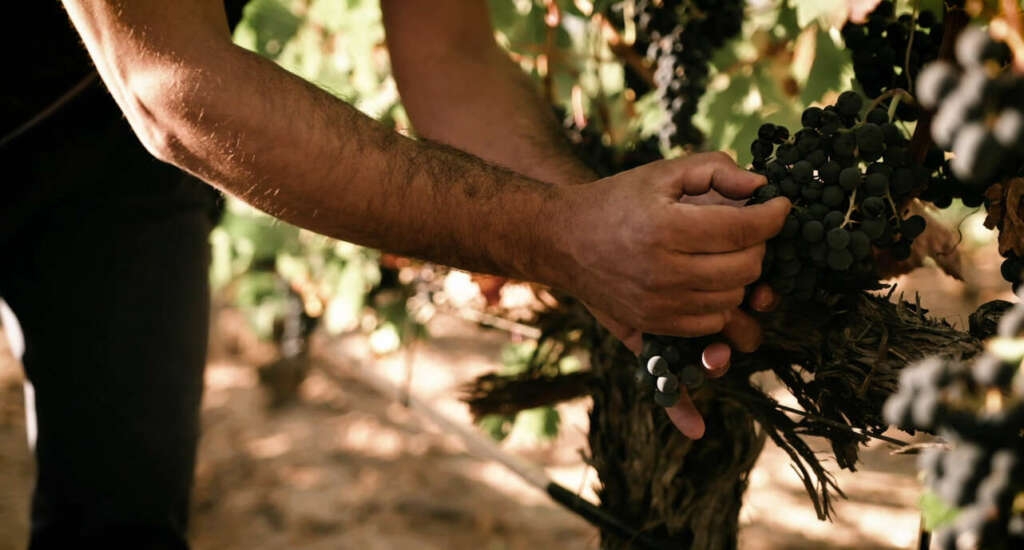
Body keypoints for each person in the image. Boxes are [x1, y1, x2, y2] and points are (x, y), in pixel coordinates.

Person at [0, 1, 789, 548]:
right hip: (134, 92)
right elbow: (170, 82)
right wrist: (559, 235)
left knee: (120, 524)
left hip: (106, 169)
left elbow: (450, 55)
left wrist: (592, 220)